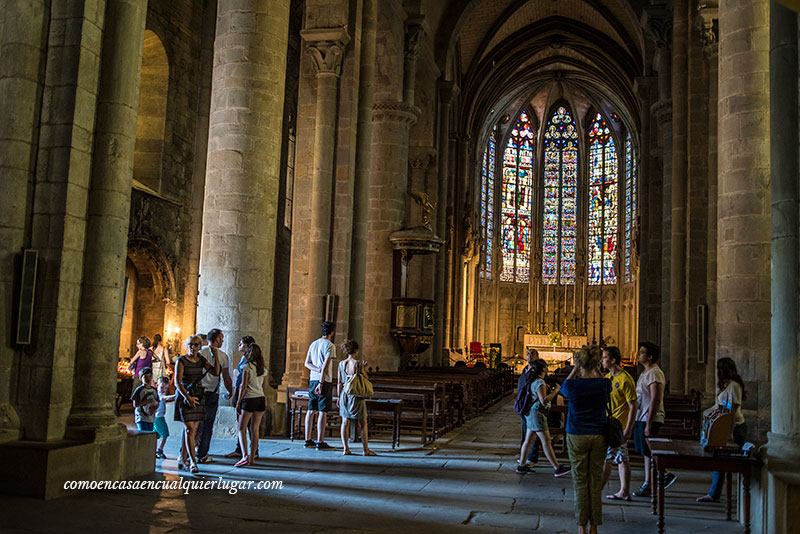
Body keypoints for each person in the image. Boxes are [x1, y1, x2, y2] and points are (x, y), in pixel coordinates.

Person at [559, 345, 612, 534]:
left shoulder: (572, 385)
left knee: (580, 482)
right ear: (597, 363)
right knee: (595, 482)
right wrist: (597, 368)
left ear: (579, 363)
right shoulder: (604, 384)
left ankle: (582, 526)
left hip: (576, 434)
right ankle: (594, 526)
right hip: (598, 434)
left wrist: (575, 369)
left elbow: (563, 388)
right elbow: (606, 385)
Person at [697, 357, 748, 502]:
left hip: (735, 427)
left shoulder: (734, 386)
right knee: (718, 459)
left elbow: (732, 410)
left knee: (723, 460)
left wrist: (729, 432)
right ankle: (714, 493)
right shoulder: (728, 385)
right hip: (725, 426)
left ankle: (716, 493)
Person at [631, 341, 676, 497]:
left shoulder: (654, 373)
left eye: (642, 352)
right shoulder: (646, 372)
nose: (639, 354)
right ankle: (648, 483)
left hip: (649, 417)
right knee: (645, 452)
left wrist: (649, 423)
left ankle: (663, 475)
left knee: (649, 451)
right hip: (641, 416)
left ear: (650, 356)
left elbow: (655, 399)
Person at [174, 335, 220, 473]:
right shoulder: (181, 361)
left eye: (195, 345)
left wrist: (215, 355)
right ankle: (193, 462)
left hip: (198, 395)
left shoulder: (201, 360)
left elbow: (215, 372)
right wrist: (187, 397)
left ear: (200, 346)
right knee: (189, 429)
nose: (192, 348)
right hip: (185, 396)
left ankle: (183, 457)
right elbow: (178, 382)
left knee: (193, 430)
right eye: (190, 345)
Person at [516, 359, 570, 477]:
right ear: (544, 369)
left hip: (532, 413)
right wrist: (556, 391)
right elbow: (544, 400)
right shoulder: (540, 382)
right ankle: (557, 467)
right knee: (546, 441)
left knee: (529, 440)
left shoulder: (534, 381)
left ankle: (522, 465)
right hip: (538, 414)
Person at [600, 346, 637, 501]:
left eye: (605, 357)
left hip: (618, 427)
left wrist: (628, 429)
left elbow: (633, 406)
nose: (602, 360)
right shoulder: (608, 377)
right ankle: (624, 491)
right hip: (610, 424)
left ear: (613, 360)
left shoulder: (625, 379)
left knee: (608, 458)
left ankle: (596, 492)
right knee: (623, 457)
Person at [196, 328, 233, 463]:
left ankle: (187, 452)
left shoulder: (200, 353)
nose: (222, 340)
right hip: (212, 393)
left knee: (194, 424)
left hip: (198, 392)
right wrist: (231, 391)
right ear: (217, 339)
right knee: (207, 425)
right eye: (221, 338)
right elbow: (226, 377)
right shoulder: (223, 356)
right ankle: (202, 454)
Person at [337, 339, 376, 456]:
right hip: (356, 394)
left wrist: (338, 397)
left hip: (344, 393)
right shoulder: (358, 364)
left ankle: (346, 448)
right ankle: (365, 450)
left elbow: (339, 382)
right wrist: (364, 367)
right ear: (356, 350)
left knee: (345, 421)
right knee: (363, 422)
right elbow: (365, 378)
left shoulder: (341, 364)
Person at [304, 321, 336, 450]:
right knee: (323, 411)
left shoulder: (313, 344)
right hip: (324, 381)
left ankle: (307, 440)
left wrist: (316, 370)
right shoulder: (330, 345)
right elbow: (326, 366)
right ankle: (320, 441)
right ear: (332, 332)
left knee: (311, 410)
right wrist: (321, 382)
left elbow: (307, 363)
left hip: (312, 380)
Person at [234, 343, 268, 467]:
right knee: (255, 429)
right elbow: (264, 387)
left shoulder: (247, 367)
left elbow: (243, 386)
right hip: (260, 399)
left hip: (249, 399)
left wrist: (238, 402)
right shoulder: (262, 369)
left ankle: (244, 455)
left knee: (241, 428)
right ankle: (252, 457)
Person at [224, 336, 257, 458]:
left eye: (241, 344)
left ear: (247, 346)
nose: (239, 345)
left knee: (245, 425)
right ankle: (242, 449)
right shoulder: (244, 358)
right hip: (242, 392)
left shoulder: (249, 361)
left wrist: (238, 398)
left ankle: (249, 451)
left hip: (246, 394)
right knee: (243, 424)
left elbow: (244, 382)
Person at [516, 348, 541, 468]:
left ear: (537, 356)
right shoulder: (525, 370)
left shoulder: (537, 370)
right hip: (524, 404)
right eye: (527, 354)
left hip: (532, 405)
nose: (529, 356)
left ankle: (532, 458)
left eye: (532, 354)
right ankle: (524, 457)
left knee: (532, 433)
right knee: (526, 431)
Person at [154, 376, 176, 458]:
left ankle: (154, 450)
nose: (164, 389)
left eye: (166, 388)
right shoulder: (158, 394)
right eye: (162, 387)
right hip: (159, 417)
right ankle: (160, 450)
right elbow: (165, 398)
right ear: (157, 385)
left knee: (156, 435)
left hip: (158, 417)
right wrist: (176, 395)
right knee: (165, 434)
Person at [131, 367, 158, 432]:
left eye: (149, 376)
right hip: (141, 417)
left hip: (151, 418)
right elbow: (135, 404)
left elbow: (157, 401)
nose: (148, 379)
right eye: (145, 377)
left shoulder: (154, 390)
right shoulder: (139, 390)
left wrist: (154, 408)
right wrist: (146, 401)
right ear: (140, 378)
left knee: (150, 433)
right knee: (143, 433)